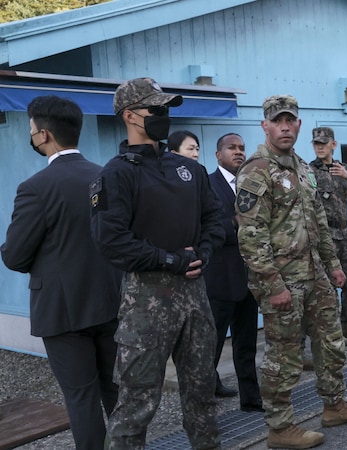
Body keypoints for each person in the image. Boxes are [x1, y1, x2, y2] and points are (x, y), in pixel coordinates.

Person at [235, 95, 347, 449]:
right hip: (283, 281)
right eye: (277, 121)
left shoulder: (301, 167)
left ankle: (335, 405)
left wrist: (333, 265)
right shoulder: (256, 170)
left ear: (298, 125)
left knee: (330, 342)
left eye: (290, 121)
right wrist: (272, 283)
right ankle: (281, 428)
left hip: (317, 275)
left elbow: (318, 221)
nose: (285, 126)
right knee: (283, 356)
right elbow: (251, 236)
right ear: (264, 125)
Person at [90, 77, 225, 449]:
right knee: (137, 401)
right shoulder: (115, 174)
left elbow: (215, 220)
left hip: (195, 295)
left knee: (202, 392)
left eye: (167, 110)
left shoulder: (190, 170)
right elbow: (111, 241)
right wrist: (169, 260)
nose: (164, 116)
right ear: (130, 116)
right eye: (157, 110)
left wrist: (203, 254)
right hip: (146, 298)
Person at [1, 95, 121, 450]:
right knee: (116, 392)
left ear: (45, 135)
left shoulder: (36, 187)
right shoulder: (107, 177)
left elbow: (15, 255)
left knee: (81, 398)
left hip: (63, 311)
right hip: (111, 302)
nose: (33, 136)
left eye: (32, 130)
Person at [204, 132, 263, 412]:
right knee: (211, 347)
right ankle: (204, 404)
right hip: (220, 280)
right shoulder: (208, 185)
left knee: (246, 344)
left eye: (241, 147)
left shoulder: (251, 186)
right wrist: (236, 223)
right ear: (218, 154)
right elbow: (206, 228)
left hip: (250, 278)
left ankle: (251, 399)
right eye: (231, 148)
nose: (238, 152)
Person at [309, 127, 347, 339]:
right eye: (316, 144)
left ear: (333, 145)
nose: (320, 147)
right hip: (325, 236)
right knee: (328, 286)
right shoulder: (309, 172)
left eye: (324, 143)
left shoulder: (342, 169)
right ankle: (333, 333)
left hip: (346, 233)